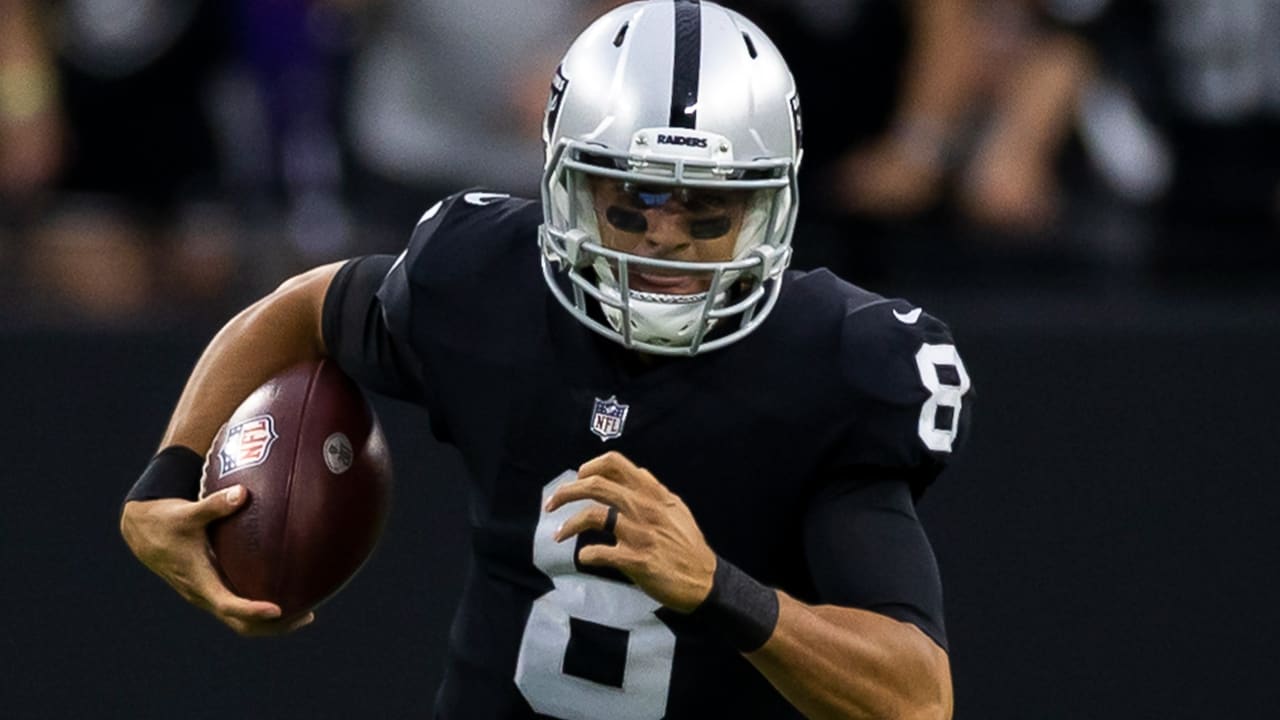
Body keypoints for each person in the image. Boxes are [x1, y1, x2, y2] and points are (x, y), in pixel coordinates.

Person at [120, 2, 973, 718]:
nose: (664, 243)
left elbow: (916, 697)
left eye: (710, 211)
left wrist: (717, 587)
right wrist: (169, 474)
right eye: (630, 202)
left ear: (769, 208)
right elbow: (305, 304)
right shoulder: (484, 278)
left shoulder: (834, 361)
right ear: (566, 186)